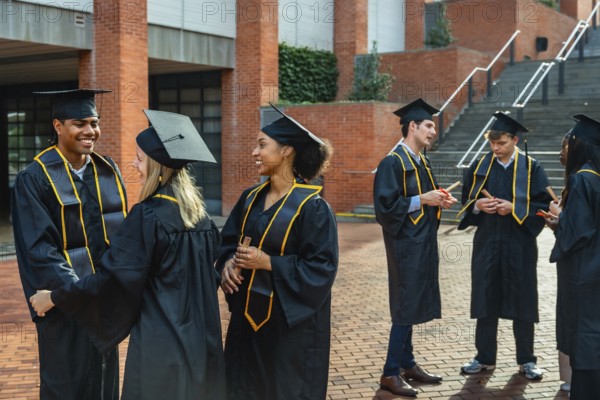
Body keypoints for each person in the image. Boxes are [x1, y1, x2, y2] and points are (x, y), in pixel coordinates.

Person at [29, 110, 225, 399]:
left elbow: (111, 278)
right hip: (203, 342)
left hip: (161, 343)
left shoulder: (147, 216)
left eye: (140, 158)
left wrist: (55, 297)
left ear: (156, 166)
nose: (134, 163)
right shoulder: (202, 220)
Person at [217, 103, 338, 400]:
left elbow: (322, 267)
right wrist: (227, 264)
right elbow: (226, 244)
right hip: (246, 325)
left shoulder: (313, 207)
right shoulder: (250, 199)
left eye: (262, 145)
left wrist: (269, 262)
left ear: (286, 151)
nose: (254, 153)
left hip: (290, 330)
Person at [11, 89, 126, 400]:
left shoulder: (108, 170)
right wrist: (78, 294)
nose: (90, 131)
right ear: (58, 126)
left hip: (102, 301)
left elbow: (121, 237)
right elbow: (40, 250)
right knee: (66, 385)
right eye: (79, 123)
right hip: (64, 306)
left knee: (103, 385)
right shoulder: (35, 178)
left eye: (94, 122)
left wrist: (108, 288)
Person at [458, 112, 552, 379]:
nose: (496, 148)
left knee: (523, 300)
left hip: (519, 245)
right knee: (485, 299)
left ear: (515, 139)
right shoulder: (480, 167)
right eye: (492, 143)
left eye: (501, 143)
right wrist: (478, 205)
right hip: (487, 243)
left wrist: (514, 208)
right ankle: (484, 357)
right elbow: (466, 202)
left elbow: (545, 209)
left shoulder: (532, 168)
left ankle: (527, 360)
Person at [374, 98, 457, 397]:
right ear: (412, 126)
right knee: (404, 306)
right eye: (429, 125)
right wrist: (424, 199)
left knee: (412, 304)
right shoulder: (392, 162)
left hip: (421, 244)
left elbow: (424, 198)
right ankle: (390, 372)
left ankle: (408, 363)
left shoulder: (421, 161)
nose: (434, 131)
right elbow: (384, 209)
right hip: (404, 246)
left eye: (433, 126)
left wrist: (439, 199)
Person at [549, 114, 600, 400]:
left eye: (570, 143)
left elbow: (578, 232)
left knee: (585, 335)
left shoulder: (582, 180)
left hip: (584, 272)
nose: (566, 149)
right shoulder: (597, 176)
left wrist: (560, 219)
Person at [544, 130, 572, 392]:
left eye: (565, 147)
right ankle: (570, 377)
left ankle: (576, 379)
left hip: (581, 267)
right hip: (571, 266)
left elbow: (582, 227)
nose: (560, 153)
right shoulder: (574, 180)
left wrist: (561, 217)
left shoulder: (584, 181)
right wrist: (557, 223)